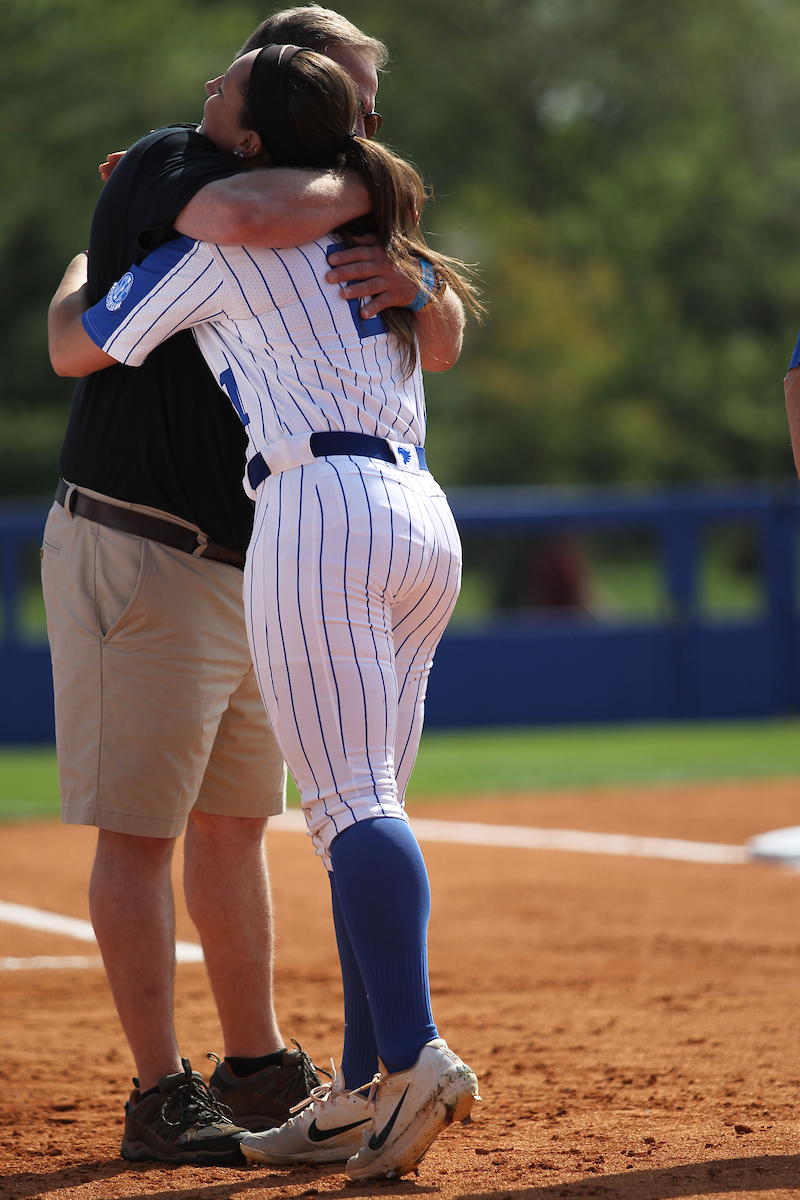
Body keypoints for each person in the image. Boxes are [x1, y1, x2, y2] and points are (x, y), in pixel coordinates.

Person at [49, 42, 482, 1182]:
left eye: (221, 96)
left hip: (314, 502)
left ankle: (412, 1058)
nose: (204, 101)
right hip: (421, 515)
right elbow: (437, 327)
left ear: (248, 140)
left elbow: (78, 346)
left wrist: (85, 257)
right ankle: (353, 1088)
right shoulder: (376, 242)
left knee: (347, 807)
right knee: (367, 807)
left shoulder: (212, 235)